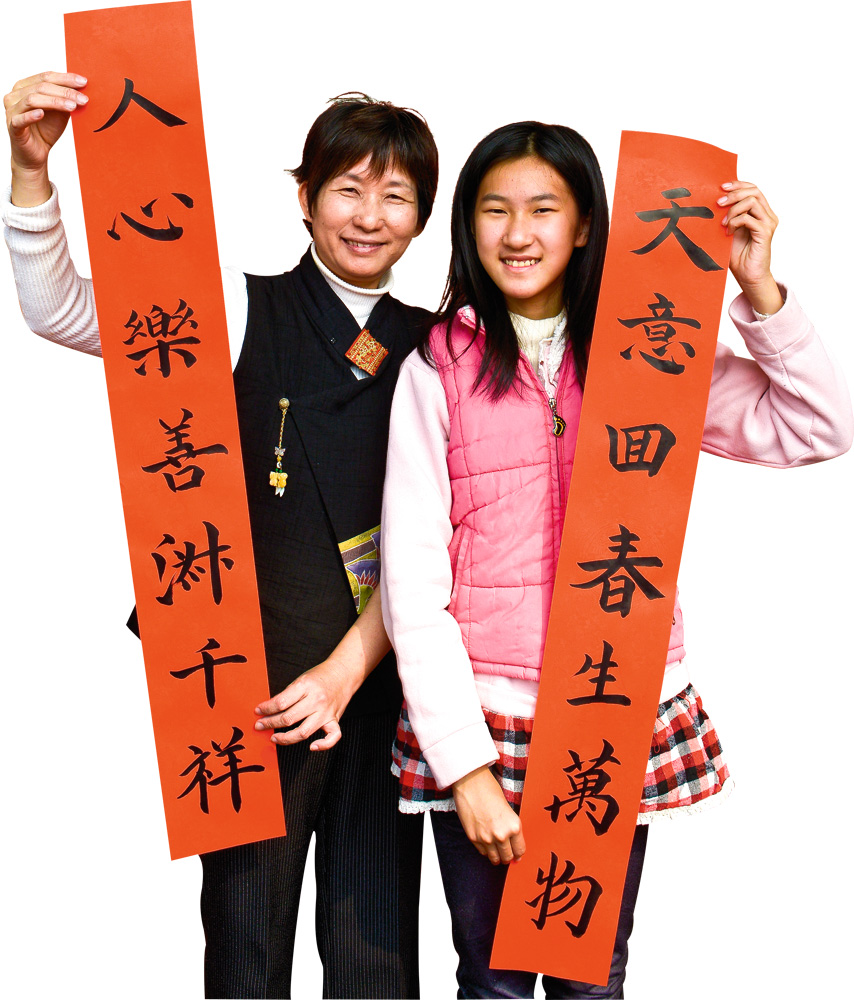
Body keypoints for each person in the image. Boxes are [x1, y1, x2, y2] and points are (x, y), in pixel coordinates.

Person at [380, 122, 853, 998]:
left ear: (586, 224)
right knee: (491, 982)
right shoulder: (439, 366)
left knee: (590, 978)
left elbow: (820, 426)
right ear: (468, 225)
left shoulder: (652, 351)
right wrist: (465, 767)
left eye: (543, 210)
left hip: (608, 703)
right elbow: (410, 582)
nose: (517, 234)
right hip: (486, 713)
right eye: (494, 210)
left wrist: (760, 290)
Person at [4, 71, 438, 999]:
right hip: (247, 685)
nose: (370, 217)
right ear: (304, 198)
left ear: (423, 217)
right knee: (244, 956)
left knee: (378, 966)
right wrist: (32, 172)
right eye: (348, 189)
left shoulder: (443, 345)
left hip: (387, 685)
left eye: (396, 196)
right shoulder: (237, 308)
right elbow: (62, 311)